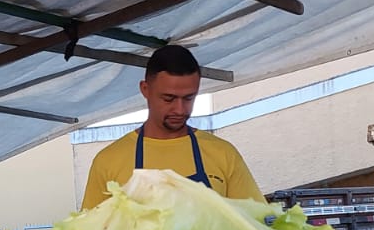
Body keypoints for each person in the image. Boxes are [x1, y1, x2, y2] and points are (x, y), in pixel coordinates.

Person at [81, 45, 263, 209]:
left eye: (189, 98)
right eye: (168, 99)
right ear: (145, 89)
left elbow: (257, 224)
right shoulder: (109, 161)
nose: (180, 109)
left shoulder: (223, 154)